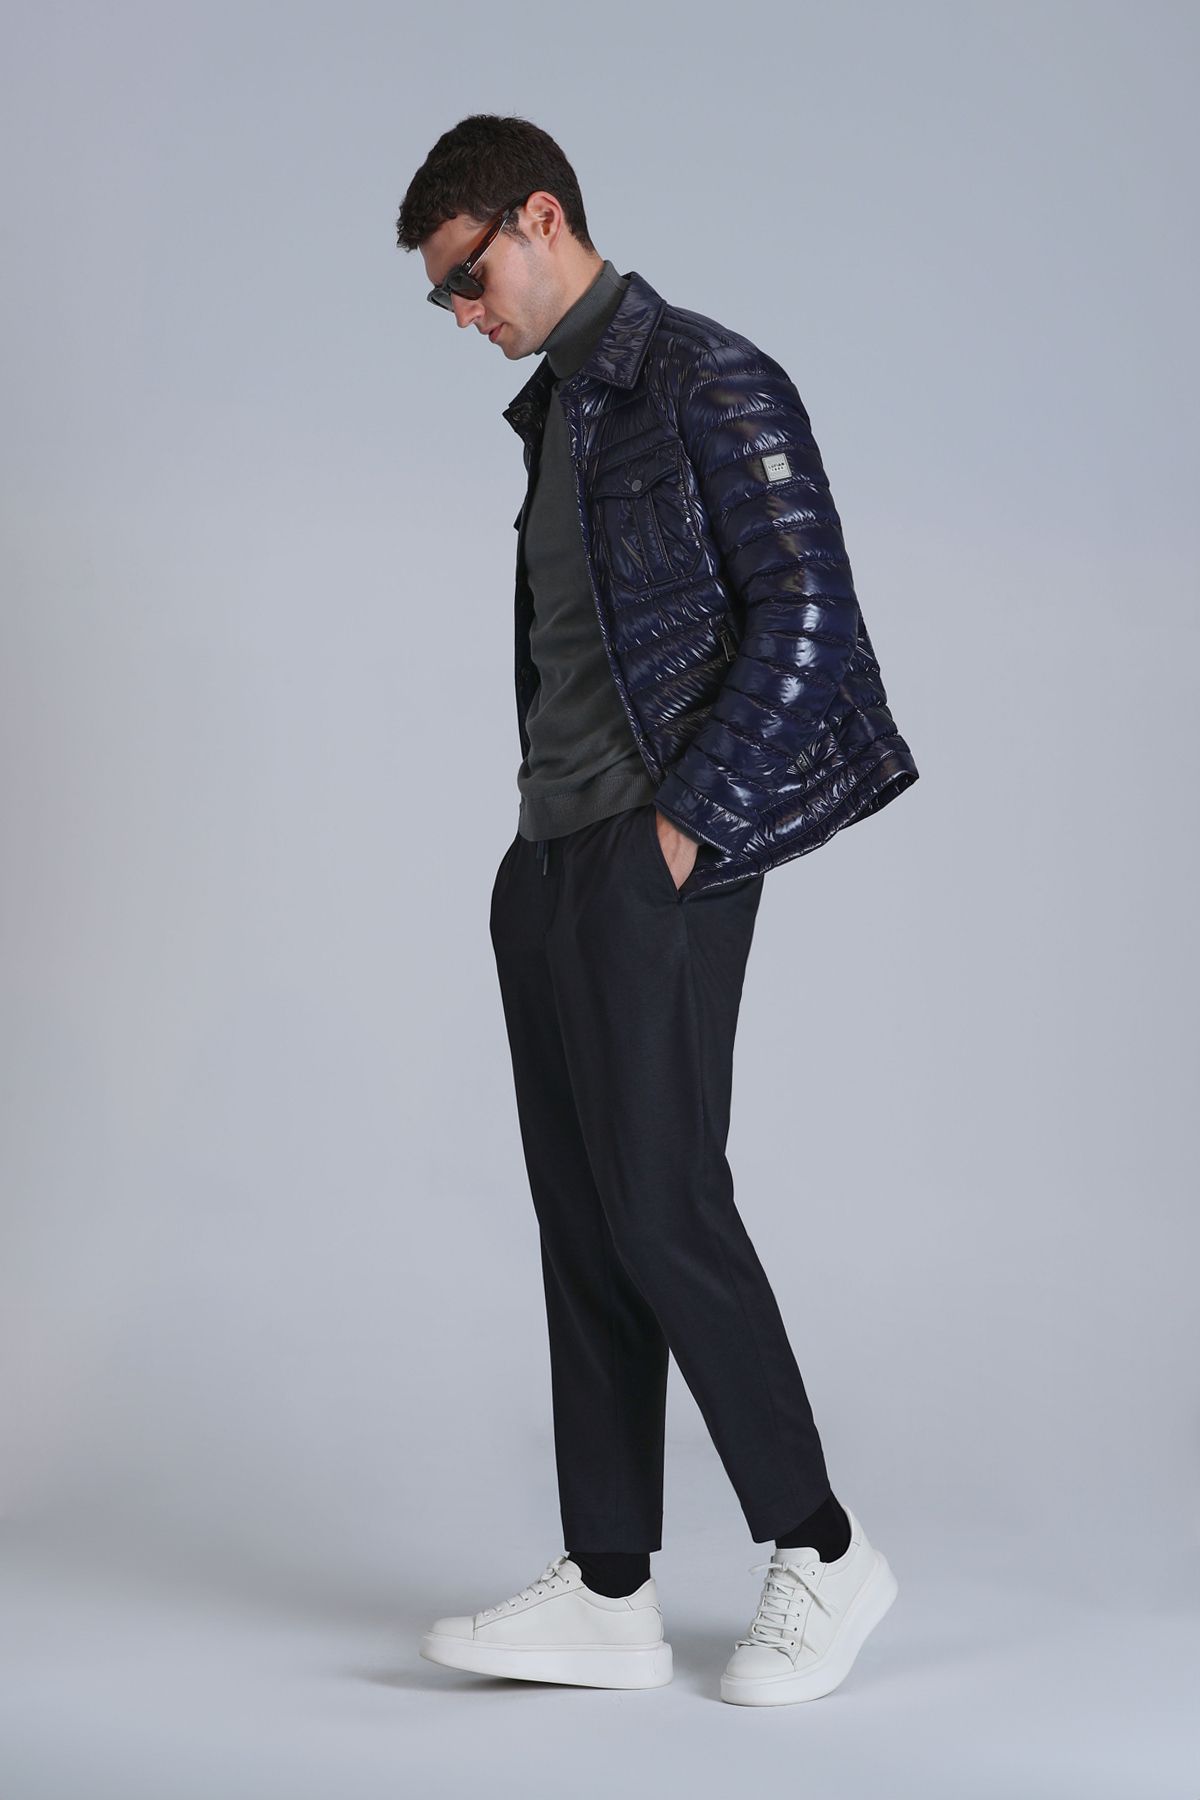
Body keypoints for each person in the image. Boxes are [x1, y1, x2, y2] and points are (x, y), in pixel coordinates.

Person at [396, 114, 918, 1706]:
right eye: (443, 298)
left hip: (654, 858)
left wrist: (685, 829)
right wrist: (543, 853)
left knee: (663, 1207)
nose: (463, 315)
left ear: (542, 219)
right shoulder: (561, 411)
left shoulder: (709, 379)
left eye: (469, 278)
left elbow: (811, 613)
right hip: (549, 861)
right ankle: (610, 1590)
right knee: (582, 1220)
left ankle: (824, 1551)